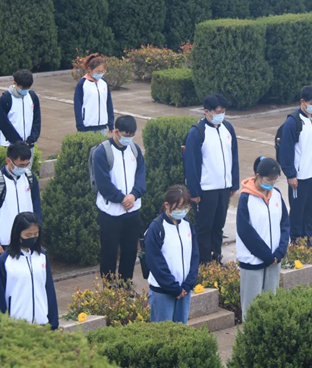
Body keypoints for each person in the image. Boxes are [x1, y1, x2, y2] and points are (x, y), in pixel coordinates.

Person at [183, 93, 239, 264]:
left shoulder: (228, 128)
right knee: (204, 227)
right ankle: (204, 262)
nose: (221, 115)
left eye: (223, 112)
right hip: (206, 189)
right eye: (218, 112)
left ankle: (216, 258)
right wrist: (194, 192)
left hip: (224, 187)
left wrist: (233, 183)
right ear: (207, 112)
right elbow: (191, 164)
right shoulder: (197, 132)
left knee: (218, 225)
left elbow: (234, 157)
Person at [236, 157, 290, 322]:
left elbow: (285, 224)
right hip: (253, 262)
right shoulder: (246, 198)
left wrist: (280, 251)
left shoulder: (277, 195)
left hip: (274, 260)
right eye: (269, 180)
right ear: (258, 176)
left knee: (271, 306)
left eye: (275, 180)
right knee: (252, 309)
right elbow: (246, 232)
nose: (272, 183)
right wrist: (266, 255)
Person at [93, 115, 146, 280]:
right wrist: (122, 199)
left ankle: (125, 285)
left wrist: (134, 195)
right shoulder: (102, 152)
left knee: (130, 251)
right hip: (111, 212)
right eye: (126, 135)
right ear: (116, 132)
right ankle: (109, 289)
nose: (129, 139)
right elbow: (103, 183)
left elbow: (141, 176)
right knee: (109, 252)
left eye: (132, 135)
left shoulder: (135, 150)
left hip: (132, 210)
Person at [278, 85, 312, 243]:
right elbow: (286, 150)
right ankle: (296, 242)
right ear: (303, 102)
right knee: (297, 212)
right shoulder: (293, 122)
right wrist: (291, 175)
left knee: (311, 210)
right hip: (300, 178)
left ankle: (308, 238)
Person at [0, 212, 58, 329]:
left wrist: (53, 324)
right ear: (18, 234)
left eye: (35, 234)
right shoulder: (4, 261)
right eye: (28, 235)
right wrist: (1, 328)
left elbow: (49, 290)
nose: (32, 237)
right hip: (16, 328)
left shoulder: (42, 256)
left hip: (42, 325)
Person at [145, 185, 199, 324]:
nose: (182, 211)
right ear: (167, 205)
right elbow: (155, 263)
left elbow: (194, 256)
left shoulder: (187, 225)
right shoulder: (156, 228)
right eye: (179, 208)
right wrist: (174, 287)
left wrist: (188, 285)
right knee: (162, 334)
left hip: (184, 291)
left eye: (185, 207)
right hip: (163, 292)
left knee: (181, 333)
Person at [0, 141, 42, 265]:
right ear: (8, 161)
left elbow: (37, 207)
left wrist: (37, 234)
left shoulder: (30, 178)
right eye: (20, 165)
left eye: (26, 165)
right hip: (5, 243)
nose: (23, 168)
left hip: (28, 239)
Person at [0, 69, 41, 166]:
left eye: (27, 88)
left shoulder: (32, 96)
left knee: (26, 173)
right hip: (10, 146)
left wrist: (30, 140)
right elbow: (2, 123)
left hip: (28, 146)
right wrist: (17, 142)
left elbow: (37, 120)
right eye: (22, 88)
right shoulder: (6, 99)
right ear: (15, 83)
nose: (25, 91)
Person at [74, 55, 114, 135]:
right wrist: (80, 125)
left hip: (102, 126)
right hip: (87, 127)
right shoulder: (82, 84)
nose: (100, 74)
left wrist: (110, 123)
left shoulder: (104, 83)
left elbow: (108, 103)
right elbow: (78, 106)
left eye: (102, 72)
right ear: (90, 69)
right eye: (97, 72)